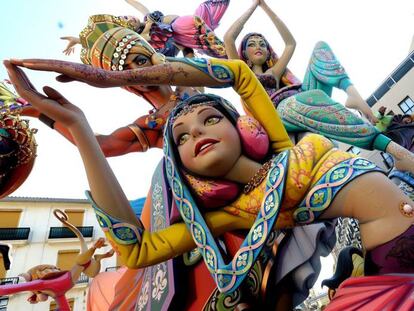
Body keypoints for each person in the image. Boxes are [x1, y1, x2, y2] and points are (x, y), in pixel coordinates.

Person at [6, 56, 414, 308]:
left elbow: (237, 74)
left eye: (211, 119)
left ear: (242, 127)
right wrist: (75, 124)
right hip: (391, 276)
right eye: (181, 137)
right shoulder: (228, 213)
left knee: (298, 102)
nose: (197, 132)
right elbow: (137, 250)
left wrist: (102, 78)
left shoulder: (275, 145)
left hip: (394, 237)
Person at [61, 0, 229, 58]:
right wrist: (78, 40)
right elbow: (107, 41)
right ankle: (225, 54)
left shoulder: (146, 16)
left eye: (126, 16)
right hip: (181, 39)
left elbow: (135, 3)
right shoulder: (143, 36)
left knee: (208, 6)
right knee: (197, 66)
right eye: (126, 21)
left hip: (189, 35)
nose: (129, 18)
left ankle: (223, 53)